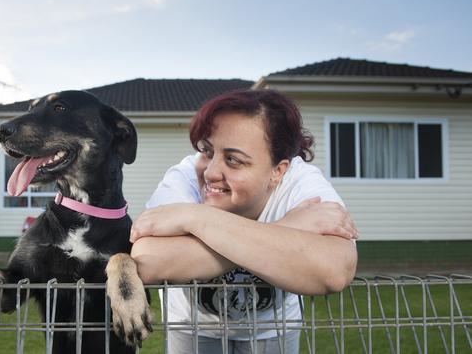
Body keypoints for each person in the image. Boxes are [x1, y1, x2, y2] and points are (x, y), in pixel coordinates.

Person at [129, 89, 358, 354]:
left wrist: (194, 218)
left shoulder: (301, 182)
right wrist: (287, 228)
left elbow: (334, 269)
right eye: (206, 151)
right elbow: (148, 261)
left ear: (278, 171)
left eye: (233, 160)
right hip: (192, 328)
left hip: (273, 329)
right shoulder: (185, 177)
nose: (212, 172)